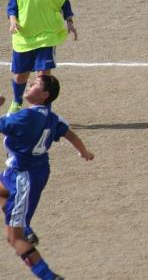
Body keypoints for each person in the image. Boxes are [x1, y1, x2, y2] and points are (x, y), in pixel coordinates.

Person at [0, 75, 94, 280]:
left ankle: (50, 277)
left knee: (14, 238)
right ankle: (24, 224)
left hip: (23, 177)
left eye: (35, 84)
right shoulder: (52, 117)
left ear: (44, 95)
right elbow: (70, 134)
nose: (30, 84)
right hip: (30, 170)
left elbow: (3, 124)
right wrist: (83, 152)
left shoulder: (25, 117)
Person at [6, 0, 78, 115]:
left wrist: (69, 22)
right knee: (20, 75)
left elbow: (65, 5)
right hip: (24, 37)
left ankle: (44, 108)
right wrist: (13, 21)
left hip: (47, 36)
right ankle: (17, 101)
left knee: (43, 76)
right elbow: (12, 8)